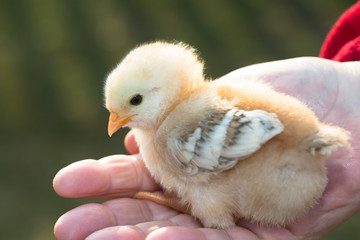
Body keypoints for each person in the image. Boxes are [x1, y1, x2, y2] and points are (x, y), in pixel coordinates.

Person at [53, 2, 360, 239]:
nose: (116, 119)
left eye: (134, 102)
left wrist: (200, 208)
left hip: (286, 179)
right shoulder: (204, 95)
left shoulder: (173, 133)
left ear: (162, 90)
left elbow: (261, 132)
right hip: (303, 163)